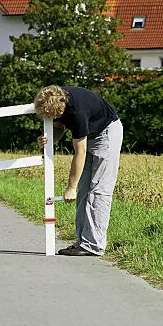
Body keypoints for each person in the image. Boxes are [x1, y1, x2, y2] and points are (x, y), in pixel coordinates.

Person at [34, 85, 123, 257]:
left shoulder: (77, 111)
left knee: (99, 190)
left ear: (61, 109)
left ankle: (94, 245)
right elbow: (58, 126)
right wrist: (47, 140)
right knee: (84, 190)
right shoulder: (52, 98)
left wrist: (70, 187)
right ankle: (82, 241)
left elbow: (79, 152)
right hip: (90, 134)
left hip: (106, 133)